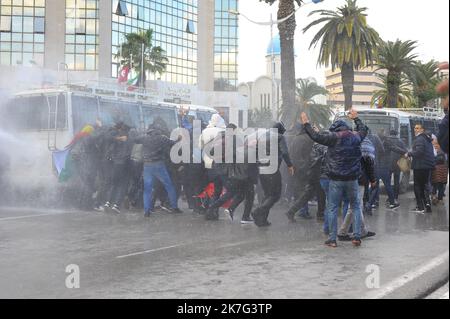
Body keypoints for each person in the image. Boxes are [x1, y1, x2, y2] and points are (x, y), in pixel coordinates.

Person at [301, 109, 369, 248]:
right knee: (355, 206)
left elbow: (315, 136)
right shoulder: (356, 137)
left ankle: (332, 239)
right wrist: (356, 118)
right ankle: (356, 237)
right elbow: (364, 130)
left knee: (332, 208)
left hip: (336, 179)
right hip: (352, 179)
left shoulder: (333, 138)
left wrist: (306, 124)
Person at [251, 122, 294, 227]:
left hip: (262, 169)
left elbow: (255, 151)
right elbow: (284, 152)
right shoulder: (279, 137)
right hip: (272, 169)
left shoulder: (262, 136)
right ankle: (258, 211)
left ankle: (262, 220)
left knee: (267, 195)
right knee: (275, 195)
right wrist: (290, 165)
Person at [135, 122, 182, 217]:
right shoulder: (162, 138)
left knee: (147, 189)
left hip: (147, 165)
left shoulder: (144, 138)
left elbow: (135, 140)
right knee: (169, 186)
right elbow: (174, 144)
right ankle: (174, 207)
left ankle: (147, 211)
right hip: (159, 165)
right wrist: (179, 139)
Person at [199, 114, 227, 220]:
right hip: (219, 163)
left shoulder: (205, 131)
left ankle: (208, 207)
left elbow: (200, 146)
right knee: (220, 188)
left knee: (211, 187)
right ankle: (213, 209)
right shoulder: (223, 132)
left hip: (207, 163)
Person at [286, 121, 315, 221]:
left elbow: (290, 153)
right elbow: (311, 154)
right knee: (306, 191)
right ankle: (301, 210)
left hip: (296, 168)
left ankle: (299, 210)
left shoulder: (296, 138)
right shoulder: (309, 139)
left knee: (300, 190)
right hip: (305, 168)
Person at [406, 123, 436, 214]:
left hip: (420, 166)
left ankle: (420, 207)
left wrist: (409, 154)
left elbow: (419, 151)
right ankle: (427, 205)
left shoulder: (419, 139)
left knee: (417, 186)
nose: (416, 130)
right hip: (426, 166)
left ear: (422, 130)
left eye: (418, 128)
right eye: (415, 128)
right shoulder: (427, 139)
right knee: (424, 186)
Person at [431, 138, 448, 206]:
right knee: (439, 186)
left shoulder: (437, 152)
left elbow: (438, 160)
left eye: (435, 144)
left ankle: (435, 197)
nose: (435, 145)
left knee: (436, 185)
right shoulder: (443, 151)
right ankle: (439, 199)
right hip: (442, 171)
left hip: (437, 170)